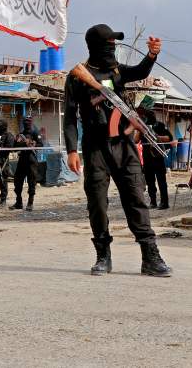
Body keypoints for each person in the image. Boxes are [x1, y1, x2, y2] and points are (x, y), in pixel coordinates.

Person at [63, 23, 172, 277]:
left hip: (123, 145)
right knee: (97, 202)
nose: (113, 48)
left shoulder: (117, 71)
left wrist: (153, 54)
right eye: (109, 44)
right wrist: (71, 150)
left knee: (136, 196)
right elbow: (69, 117)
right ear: (96, 47)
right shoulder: (77, 76)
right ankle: (103, 255)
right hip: (95, 146)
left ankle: (150, 256)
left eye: (114, 44)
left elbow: (140, 71)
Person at [136, 103, 175, 209]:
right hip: (147, 159)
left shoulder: (160, 125)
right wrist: (140, 129)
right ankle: (153, 202)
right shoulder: (142, 127)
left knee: (162, 181)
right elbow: (135, 140)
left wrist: (156, 137)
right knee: (150, 182)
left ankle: (164, 202)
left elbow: (169, 138)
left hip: (158, 157)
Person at [11, 115, 42, 211]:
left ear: (31, 122)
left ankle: (30, 202)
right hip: (22, 161)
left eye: (28, 121)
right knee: (17, 181)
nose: (26, 123)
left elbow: (41, 144)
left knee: (32, 182)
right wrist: (17, 142)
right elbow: (14, 148)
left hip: (31, 161)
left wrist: (33, 143)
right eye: (25, 121)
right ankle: (18, 202)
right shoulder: (21, 134)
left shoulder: (35, 133)